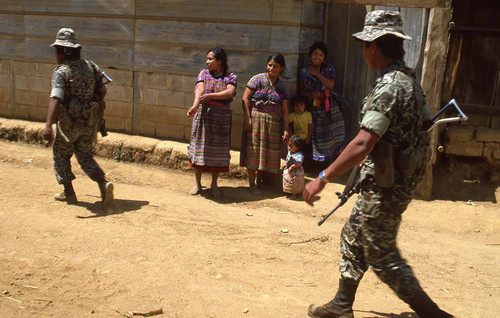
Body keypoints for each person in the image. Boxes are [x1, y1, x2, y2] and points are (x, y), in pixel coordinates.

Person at [304, 11, 454, 318]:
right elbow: (425, 121)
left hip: (388, 184)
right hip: (387, 177)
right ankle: (342, 305)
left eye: (364, 44)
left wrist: (322, 177)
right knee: (354, 233)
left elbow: (362, 143)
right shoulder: (408, 79)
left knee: (381, 252)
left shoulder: (390, 87)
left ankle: (433, 314)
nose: (363, 50)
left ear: (374, 46)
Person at [43, 28, 114, 211]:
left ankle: (69, 192)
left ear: (65, 51)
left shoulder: (61, 72)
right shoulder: (91, 66)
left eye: (57, 50)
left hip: (68, 125)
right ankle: (103, 184)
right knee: (84, 156)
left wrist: (48, 125)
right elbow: (103, 90)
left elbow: (56, 98)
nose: (55, 54)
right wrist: (91, 106)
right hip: (89, 123)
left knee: (60, 155)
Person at [187, 48, 237, 199]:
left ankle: (214, 184)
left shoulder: (231, 76)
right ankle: (197, 184)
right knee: (199, 150)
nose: (207, 61)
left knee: (218, 151)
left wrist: (211, 96)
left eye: (210, 59)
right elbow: (199, 90)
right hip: (203, 117)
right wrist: (195, 106)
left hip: (221, 119)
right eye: (207, 58)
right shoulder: (203, 73)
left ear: (219, 61)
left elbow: (230, 93)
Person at [242, 54, 289, 195]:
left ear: (282, 69)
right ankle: (251, 183)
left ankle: (260, 182)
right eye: (269, 65)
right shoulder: (257, 79)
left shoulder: (281, 88)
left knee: (267, 153)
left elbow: (285, 110)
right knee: (254, 151)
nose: (271, 68)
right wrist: (247, 118)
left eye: (275, 66)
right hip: (255, 121)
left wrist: (286, 128)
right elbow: (245, 98)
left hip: (273, 124)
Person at [299, 41, 346, 170]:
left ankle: (327, 165)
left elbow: (331, 85)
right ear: (310, 55)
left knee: (330, 135)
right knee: (314, 135)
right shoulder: (304, 71)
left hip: (329, 107)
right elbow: (302, 90)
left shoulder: (328, 68)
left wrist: (317, 74)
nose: (317, 57)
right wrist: (311, 95)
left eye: (321, 55)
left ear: (324, 57)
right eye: (315, 54)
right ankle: (313, 165)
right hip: (313, 108)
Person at [283, 135, 306, 199]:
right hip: (290, 171)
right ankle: (289, 192)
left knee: (294, 182)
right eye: (288, 145)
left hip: (295, 172)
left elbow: (298, 163)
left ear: (298, 147)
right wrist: (285, 141)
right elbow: (287, 144)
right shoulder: (290, 151)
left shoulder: (299, 155)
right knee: (289, 181)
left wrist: (292, 167)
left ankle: (294, 195)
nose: (289, 148)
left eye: (291, 146)